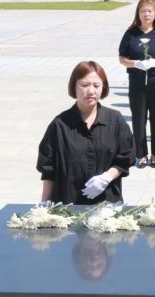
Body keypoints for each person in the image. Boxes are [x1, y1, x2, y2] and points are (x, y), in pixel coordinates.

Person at [37, 61, 135, 204]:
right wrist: (44, 201)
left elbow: (126, 156)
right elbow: (48, 168)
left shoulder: (115, 120)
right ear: (74, 86)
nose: (91, 91)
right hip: (68, 204)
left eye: (96, 85)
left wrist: (106, 177)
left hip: (107, 204)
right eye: (84, 85)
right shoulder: (60, 124)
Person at [119, 0, 155, 168]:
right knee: (138, 117)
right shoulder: (131, 33)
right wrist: (135, 63)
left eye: (150, 11)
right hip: (137, 82)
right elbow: (122, 58)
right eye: (143, 11)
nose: (146, 14)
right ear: (138, 13)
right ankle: (141, 154)